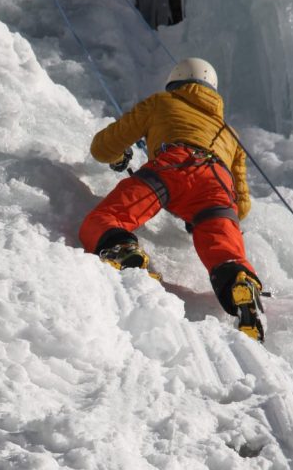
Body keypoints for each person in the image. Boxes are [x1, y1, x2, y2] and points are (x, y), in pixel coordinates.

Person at [79, 57, 265, 340]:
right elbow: (241, 207)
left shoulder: (161, 102)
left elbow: (103, 147)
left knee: (105, 220)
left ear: (175, 82)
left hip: (171, 167)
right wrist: (199, 215)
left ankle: (122, 249)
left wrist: (119, 158)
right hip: (216, 184)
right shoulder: (231, 134)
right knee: (226, 253)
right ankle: (240, 282)